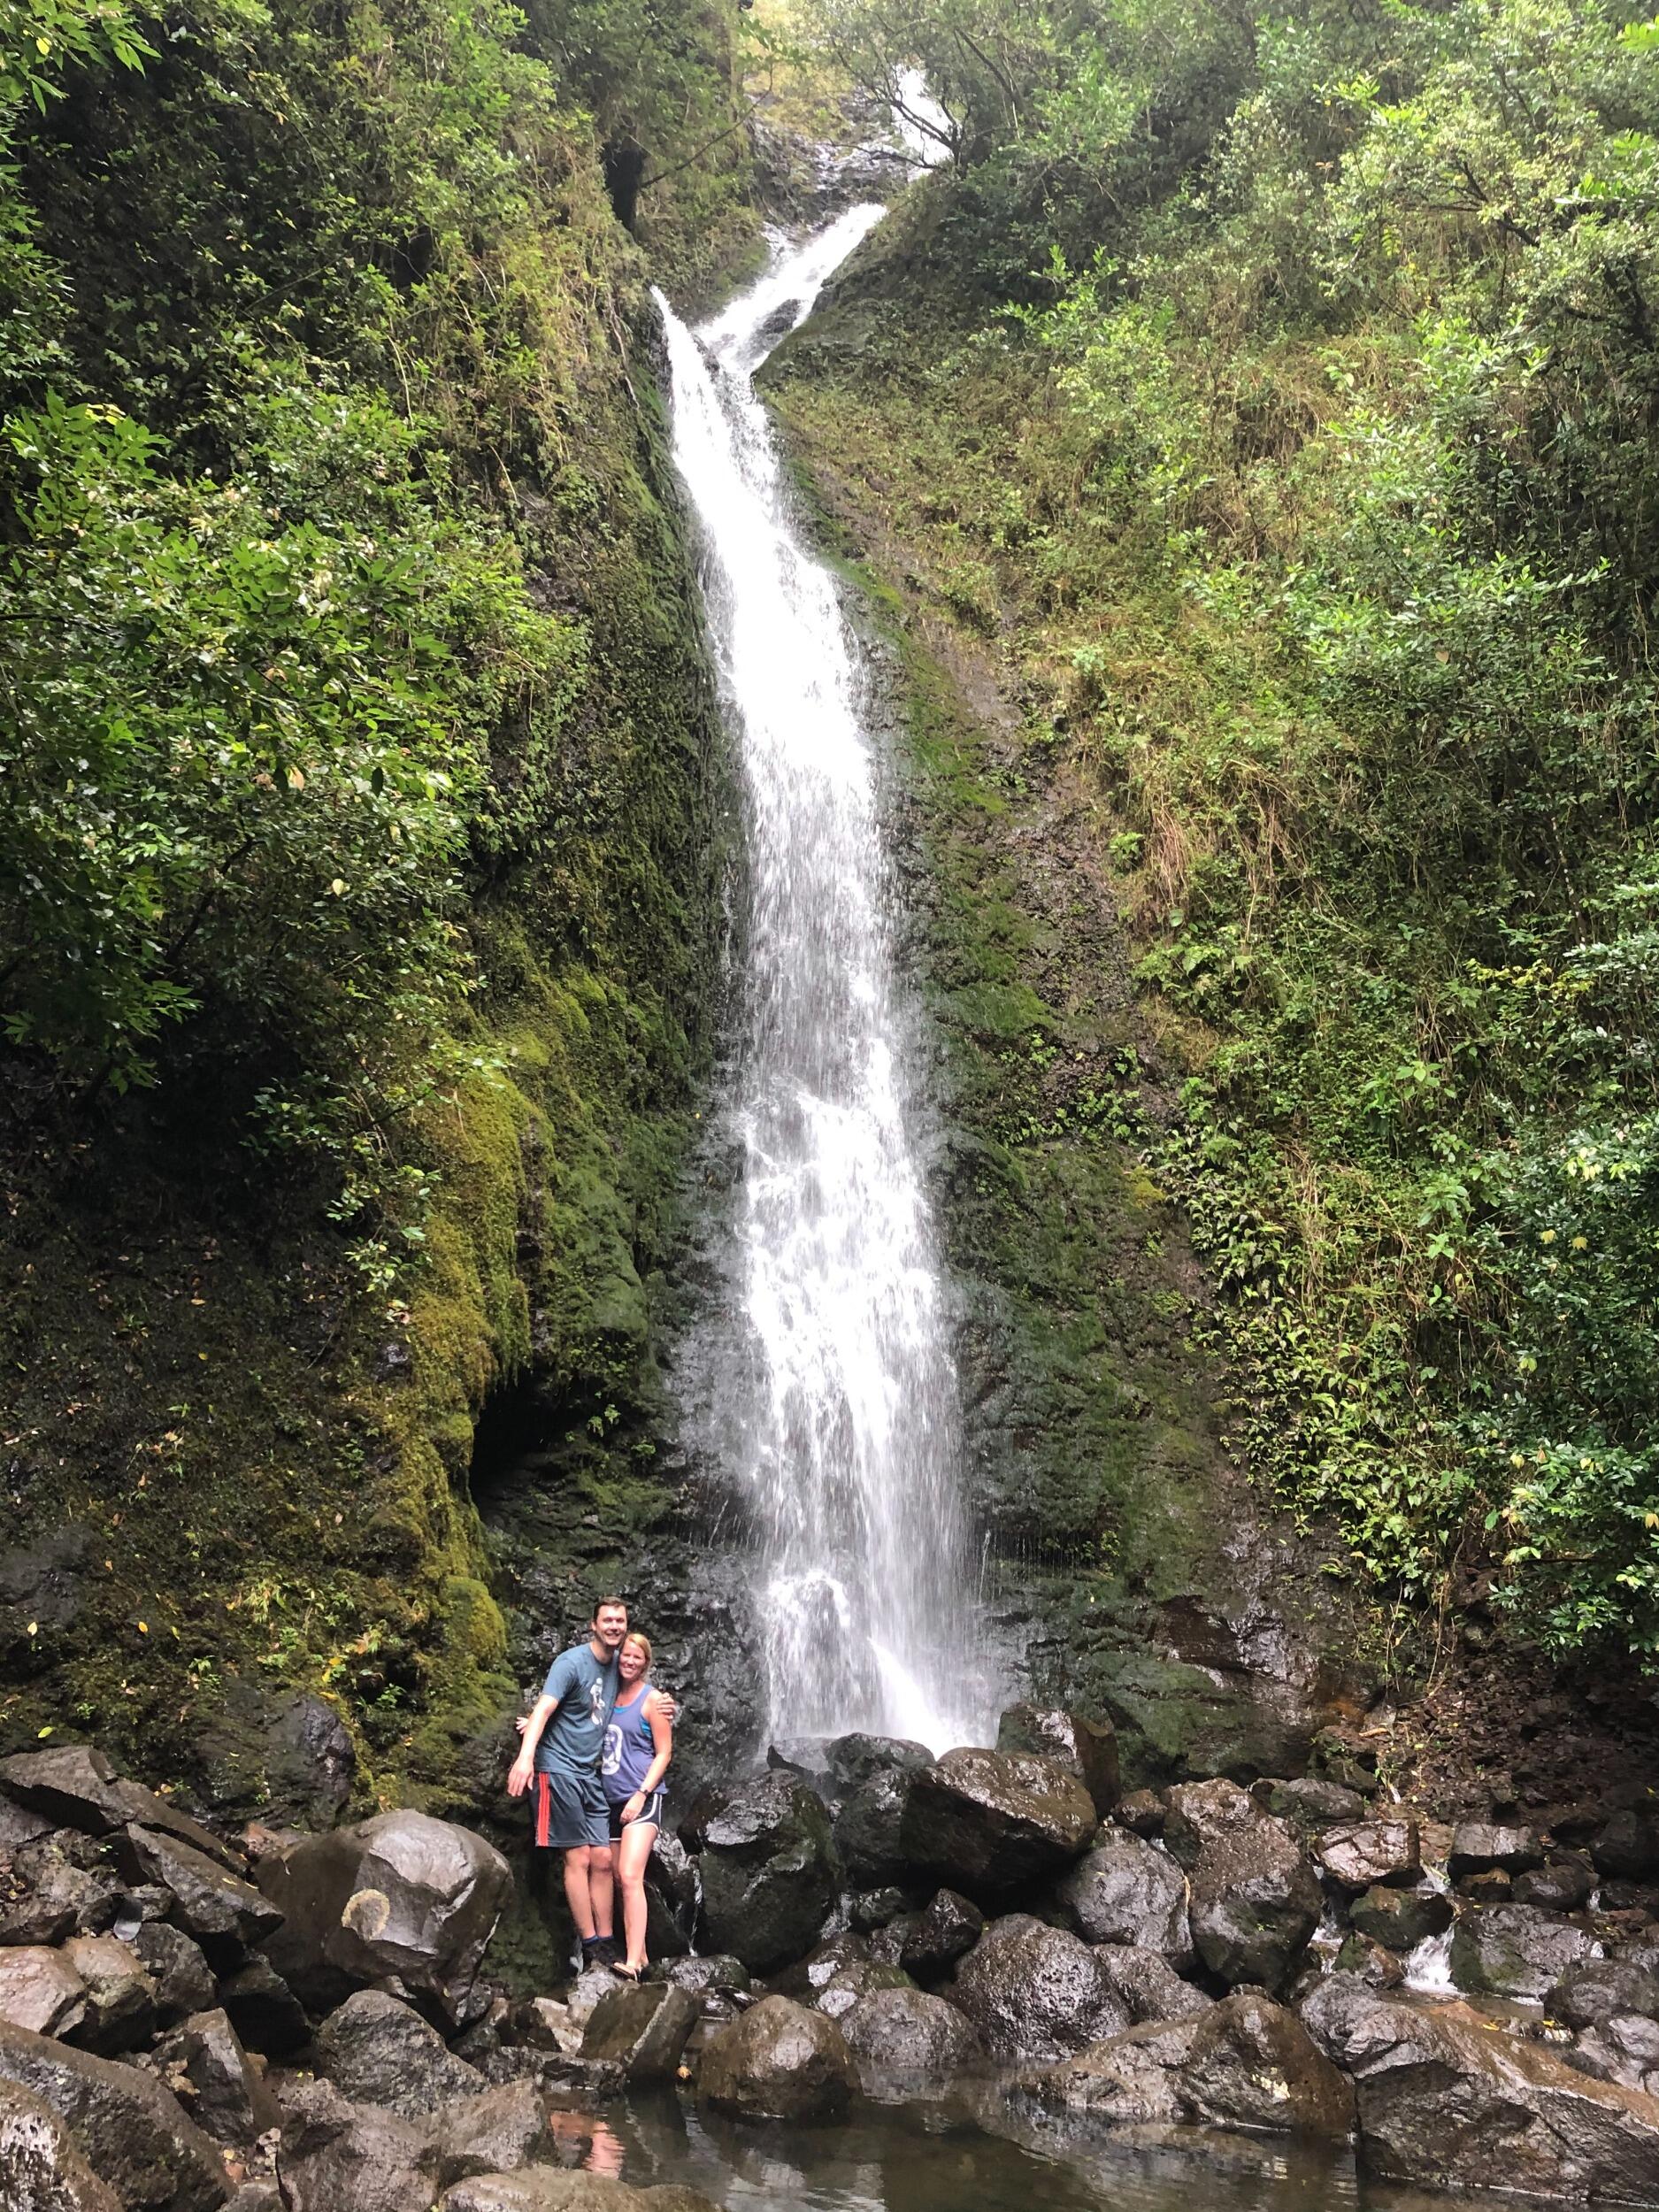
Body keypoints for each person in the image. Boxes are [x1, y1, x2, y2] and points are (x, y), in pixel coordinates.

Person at [506, 1596, 630, 1972]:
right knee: (577, 1858)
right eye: (607, 1620)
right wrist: (526, 1756)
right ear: (593, 1625)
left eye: (620, 1621)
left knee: (604, 1858)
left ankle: (607, 1941)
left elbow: (640, 1696)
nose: (614, 1626)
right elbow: (545, 1707)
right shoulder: (571, 1662)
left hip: (590, 1773)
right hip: (557, 1770)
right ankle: (590, 1945)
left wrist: (665, 1705)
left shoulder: (619, 1665)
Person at [600, 1630, 673, 1981]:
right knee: (617, 1877)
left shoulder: (653, 1700)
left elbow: (664, 1752)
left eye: (637, 1658)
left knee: (630, 1875)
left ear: (646, 1663)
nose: (630, 1661)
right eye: (625, 1655)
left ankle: (632, 1962)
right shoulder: (607, 1695)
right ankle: (641, 1952)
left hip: (641, 1799)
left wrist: (642, 1793)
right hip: (608, 1800)